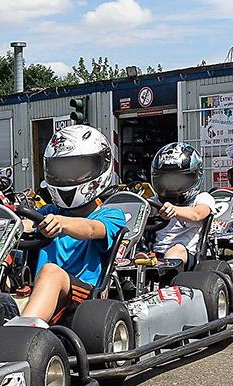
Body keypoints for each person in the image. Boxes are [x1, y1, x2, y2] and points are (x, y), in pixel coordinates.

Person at [20, 125, 126, 323]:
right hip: (43, 290)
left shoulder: (111, 215)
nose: (68, 178)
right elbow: (26, 224)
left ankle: (22, 334)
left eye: (76, 170)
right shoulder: (49, 212)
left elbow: (92, 229)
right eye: (61, 170)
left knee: (51, 272)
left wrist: (62, 224)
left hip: (85, 297)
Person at [148, 142, 214, 266]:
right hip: (156, 253)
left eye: (178, 180)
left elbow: (197, 214)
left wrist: (175, 210)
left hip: (187, 253)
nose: (172, 185)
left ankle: (167, 277)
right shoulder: (155, 202)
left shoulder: (203, 198)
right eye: (166, 180)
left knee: (176, 250)